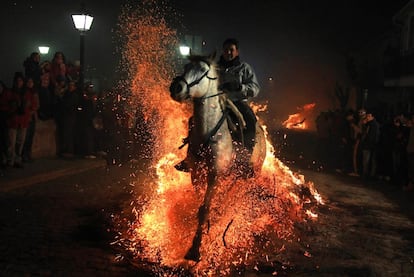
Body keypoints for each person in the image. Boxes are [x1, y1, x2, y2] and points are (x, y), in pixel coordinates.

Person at [175, 38, 260, 174]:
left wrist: (240, 87)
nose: (228, 52)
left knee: (249, 120)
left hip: (237, 103)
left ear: (237, 52)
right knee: (194, 121)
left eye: (231, 50)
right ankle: (190, 157)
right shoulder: (214, 67)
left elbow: (255, 89)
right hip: (217, 103)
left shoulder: (244, 68)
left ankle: (244, 161)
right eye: (226, 50)